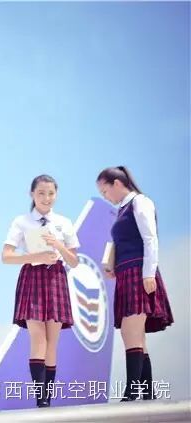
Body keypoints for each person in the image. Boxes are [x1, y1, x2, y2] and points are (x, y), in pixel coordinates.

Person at [1, 174, 80, 407]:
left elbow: (74, 261)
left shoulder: (64, 222)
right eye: (41, 193)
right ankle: (41, 399)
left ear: (57, 194)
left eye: (51, 193)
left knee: (52, 341)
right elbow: (6, 256)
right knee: (38, 338)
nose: (47, 198)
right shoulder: (22, 221)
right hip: (33, 276)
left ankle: (47, 398)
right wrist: (36, 256)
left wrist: (58, 245)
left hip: (56, 278)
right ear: (32, 194)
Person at [96, 166, 174, 401]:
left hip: (138, 272)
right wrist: (114, 266)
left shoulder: (140, 202)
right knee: (136, 336)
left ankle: (131, 393)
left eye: (105, 191)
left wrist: (148, 274)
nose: (105, 197)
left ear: (117, 183)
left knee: (131, 332)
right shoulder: (122, 208)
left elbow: (150, 238)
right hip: (126, 272)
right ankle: (148, 394)